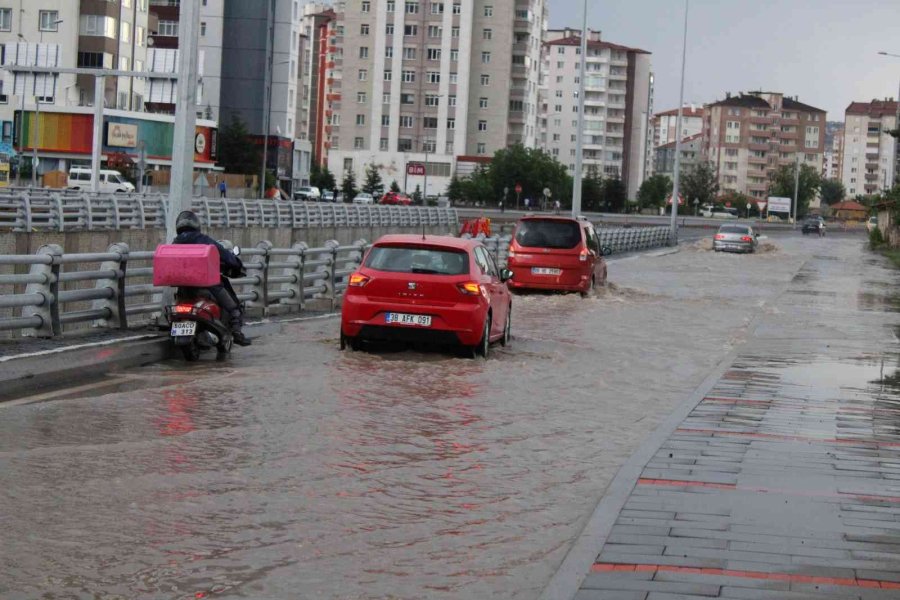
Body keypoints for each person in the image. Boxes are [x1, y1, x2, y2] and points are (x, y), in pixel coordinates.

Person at [172, 211, 251, 346]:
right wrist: (237, 263)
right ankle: (237, 332)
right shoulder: (202, 239)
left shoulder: (175, 243)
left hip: (183, 287)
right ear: (196, 224)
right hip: (207, 285)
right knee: (234, 309)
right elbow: (225, 255)